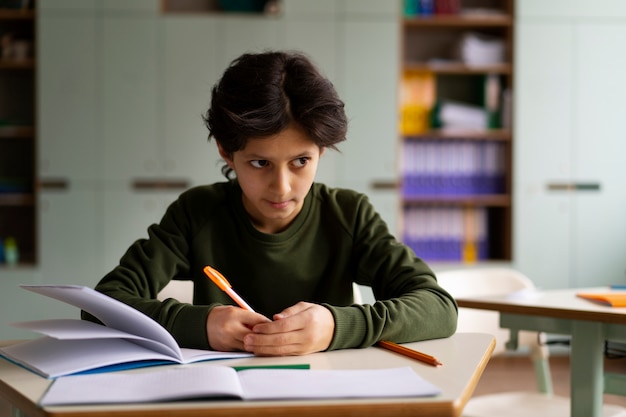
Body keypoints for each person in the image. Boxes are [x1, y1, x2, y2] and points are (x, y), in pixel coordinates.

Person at [83, 50, 457, 356]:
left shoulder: (348, 215)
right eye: (260, 163)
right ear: (227, 153)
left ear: (321, 151)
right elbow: (100, 307)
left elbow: (439, 307)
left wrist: (335, 326)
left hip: (329, 397)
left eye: (301, 161)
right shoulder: (197, 213)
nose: (281, 187)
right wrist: (202, 324)